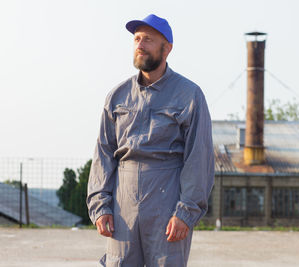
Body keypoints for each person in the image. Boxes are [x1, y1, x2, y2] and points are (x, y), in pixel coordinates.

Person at [87, 14, 214, 267]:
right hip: (123, 199)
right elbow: (103, 153)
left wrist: (185, 212)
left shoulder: (189, 96)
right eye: (136, 39)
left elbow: (199, 158)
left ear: (167, 48)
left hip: (167, 199)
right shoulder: (117, 96)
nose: (140, 45)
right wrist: (100, 206)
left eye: (148, 40)